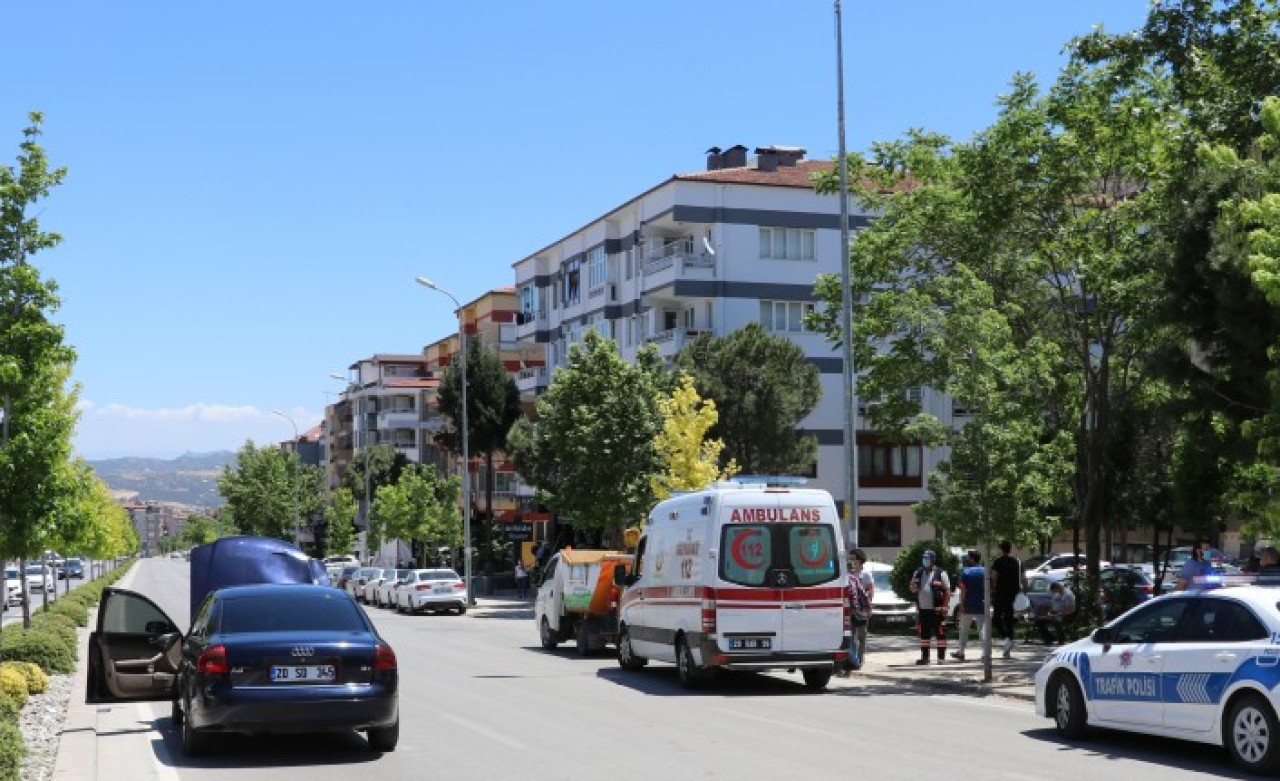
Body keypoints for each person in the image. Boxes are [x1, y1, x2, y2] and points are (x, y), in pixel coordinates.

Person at [909, 549, 951, 665]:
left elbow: (947, 591)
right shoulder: (918, 572)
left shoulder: (941, 573)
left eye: (927, 558)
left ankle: (941, 658)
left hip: (937, 610)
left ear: (933, 560)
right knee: (924, 635)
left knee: (940, 633)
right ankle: (925, 658)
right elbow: (912, 588)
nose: (925, 560)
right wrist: (913, 587)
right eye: (924, 558)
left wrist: (945, 606)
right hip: (923, 610)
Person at [951, 550, 987, 662]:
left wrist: (961, 604)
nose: (966, 559)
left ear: (972, 558)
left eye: (968, 557)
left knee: (964, 629)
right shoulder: (985, 571)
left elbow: (963, 589)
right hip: (982, 603)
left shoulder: (966, 572)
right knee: (982, 629)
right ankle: (985, 653)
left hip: (968, 603)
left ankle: (961, 652)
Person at [991, 540, 1024, 660]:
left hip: (1001, 593)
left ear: (1001, 549)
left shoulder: (998, 561)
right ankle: (1009, 644)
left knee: (996, 619)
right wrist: (1023, 591)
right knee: (1009, 619)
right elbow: (1023, 577)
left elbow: (994, 577)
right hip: (1013, 593)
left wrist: (993, 589)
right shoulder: (1017, 561)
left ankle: (1006, 639)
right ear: (1011, 549)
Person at [848, 549, 875, 670]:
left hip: (862, 609)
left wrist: (869, 607)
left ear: (859, 560)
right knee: (851, 636)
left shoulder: (865, 574)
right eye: (850, 559)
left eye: (853, 559)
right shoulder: (849, 573)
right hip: (850, 609)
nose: (851, 561)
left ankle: (860, 657)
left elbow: (871, 589)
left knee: (861, 636)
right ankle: (853, 660)